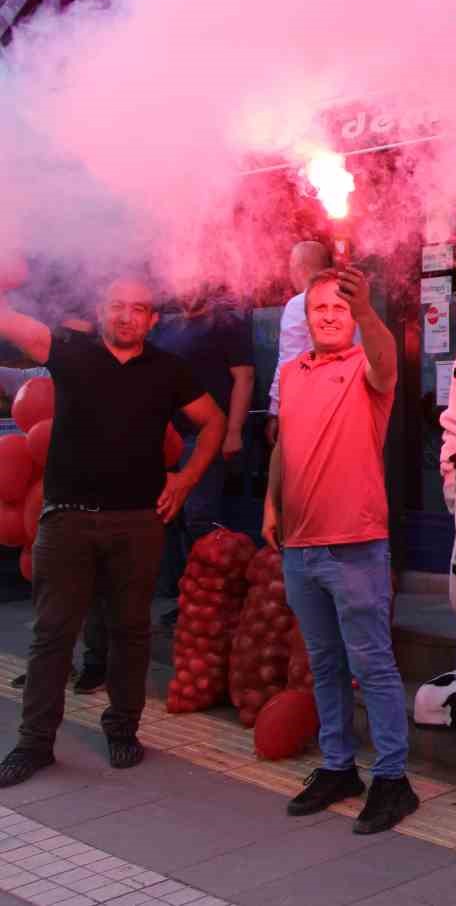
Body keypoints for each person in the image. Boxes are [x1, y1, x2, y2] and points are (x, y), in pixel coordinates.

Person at [0, 276, 224, 786]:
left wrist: (186, 480)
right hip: (66, 518)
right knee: (51, 635)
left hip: (137, 521)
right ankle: (34, 744)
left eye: (138, 308)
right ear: (102, 310)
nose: (127, 316)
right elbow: (12, 323)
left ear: (151, 319)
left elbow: (211, 421)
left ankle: (123, 730)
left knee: (130, 633)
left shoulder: (169, 371)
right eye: (117, 306)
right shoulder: (71, 351)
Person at [262, 267, 416, 834]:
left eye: (340, 308)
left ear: (353, 317)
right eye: (319, 308)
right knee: (323, 663)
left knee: (372, 663)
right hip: (300, 547)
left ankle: (394, 779)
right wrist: (270, 504)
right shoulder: (291, 371)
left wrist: (370, 312)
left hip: (354, 544)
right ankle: (337, 766)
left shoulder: (366, 368)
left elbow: (384, 358)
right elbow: (284, 447)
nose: (329, 315)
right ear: (306, 317)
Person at [0, 314, 110, 695]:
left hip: (91, 496)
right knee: (47, 584)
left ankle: (96, 663)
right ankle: (50, 666)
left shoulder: (104, 375)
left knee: (93, 584)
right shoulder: (40, 374)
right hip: (45, 499)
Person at [149, 284, 254, 611]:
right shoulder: (164, 327)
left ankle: (212, 599)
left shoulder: (226, 323)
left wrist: (234, 430)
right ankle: (184, 599)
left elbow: (245, 378)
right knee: (170, 517)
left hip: (206, 436)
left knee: (199, 516)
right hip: (166, 440)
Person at [265, 241, 339, 446]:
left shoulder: (300, 304)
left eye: (291, 268)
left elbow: (289, 361)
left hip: (310, 407)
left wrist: (274, 409)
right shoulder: (348, 302)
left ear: (301, 269)